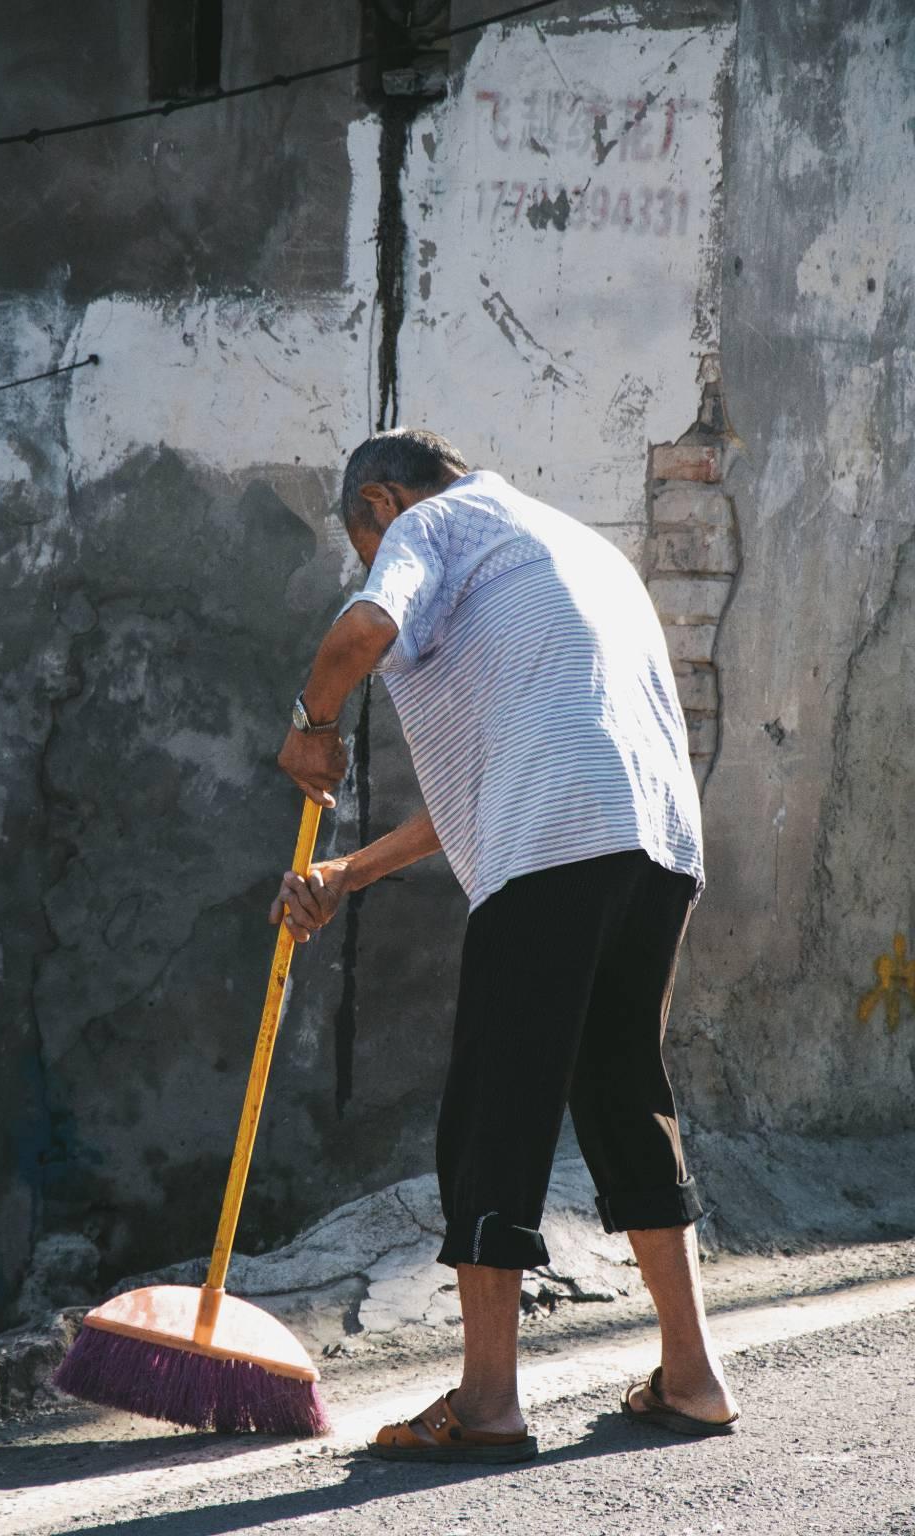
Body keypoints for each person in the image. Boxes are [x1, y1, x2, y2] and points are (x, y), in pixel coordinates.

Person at [271, 428, 739, 1461]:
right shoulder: (569, 544)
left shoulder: (433, 524)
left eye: (364, 539)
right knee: (623, 1093)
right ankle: (693, 1377)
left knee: (495, 1108)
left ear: (383, 505)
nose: (374, 556)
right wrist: (349, 873)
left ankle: (487, 1402)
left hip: (557, 848)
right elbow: (498, 775)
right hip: (653, 842)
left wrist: (312, 722)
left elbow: (362, 629)